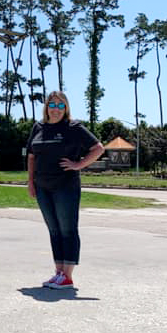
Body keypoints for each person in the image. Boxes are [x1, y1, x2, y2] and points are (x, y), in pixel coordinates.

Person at [26, 91, 105, 290]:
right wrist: (30, 181)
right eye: (53, 105)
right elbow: (31, 156)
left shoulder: (73, 127)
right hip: (42, 186)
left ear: (66, 108)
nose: (56, 109)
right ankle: (58, 272)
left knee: (67, 229)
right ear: (47, 107)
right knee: (53, 230)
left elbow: (98, 148)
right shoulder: (38, 127)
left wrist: (79, 164)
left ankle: (68, 276)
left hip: (65, 186)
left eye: (61, 106)